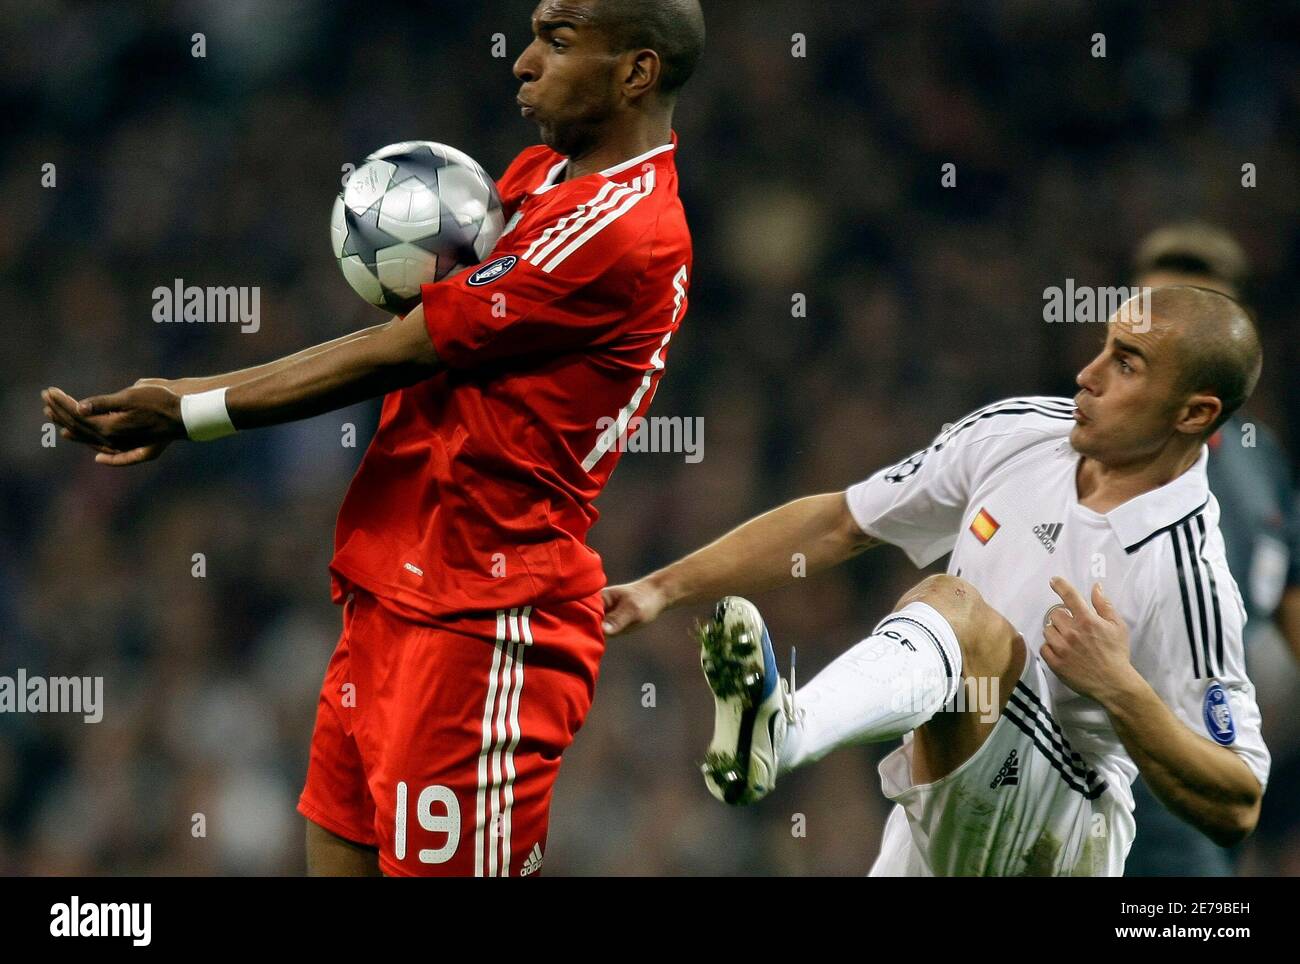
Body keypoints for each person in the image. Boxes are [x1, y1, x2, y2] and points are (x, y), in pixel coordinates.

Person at [42, 0, 705, 877]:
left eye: (558, 39)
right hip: (392, 594)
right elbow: (421, 338)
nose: (523, 61)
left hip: (485, 621)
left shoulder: (622, 229)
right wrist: (187, 397)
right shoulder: (541, 176)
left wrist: (197, 412)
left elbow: (407, 346)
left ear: (637, 72)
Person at [604, 286, 1269, 876]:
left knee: (952, 607)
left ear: (1193, 413)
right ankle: (782, 734)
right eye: (1104, 347)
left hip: (1056, 830)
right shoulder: (1019, 433)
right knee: (956, 627)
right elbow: (842, 521)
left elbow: (1237, 801)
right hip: (938, 815)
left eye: (1126, 363)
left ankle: (785, 733)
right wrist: (661, 589)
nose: (1087, 374)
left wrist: (1121, 688)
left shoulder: (1189, 570)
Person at [1124, 222, 1300, 876]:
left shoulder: (1263, 462)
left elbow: (1288, 595)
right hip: (1114, 780)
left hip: (1219, 785)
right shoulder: (1083, 454)